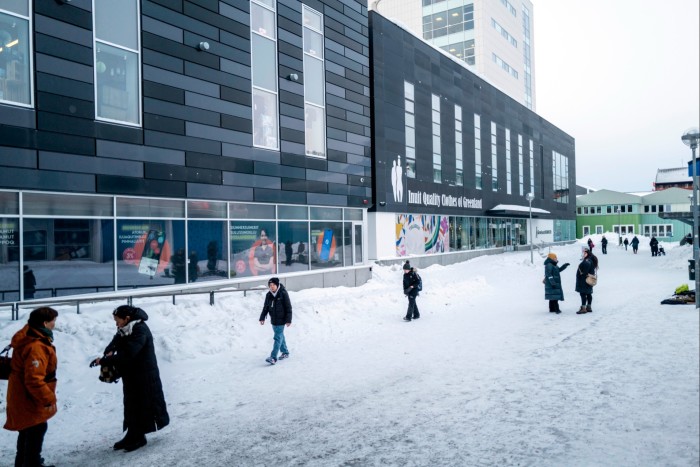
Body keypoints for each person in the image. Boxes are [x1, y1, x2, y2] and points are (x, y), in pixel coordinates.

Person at [93, 305, 169, 452]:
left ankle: (139, 436)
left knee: (142, 404)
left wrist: (103, 361)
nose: (116, 324)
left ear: (127, 318)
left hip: (144, 374)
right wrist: (109, 350)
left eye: (117, 320)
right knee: (130, 403)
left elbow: (129, 353)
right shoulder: (126, 328)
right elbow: (117, 340)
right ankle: (131, 433)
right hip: (131, 373)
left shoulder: (140, 329)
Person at [4, 307, 59, 467]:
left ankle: (24, 462)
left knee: (28, 430)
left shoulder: (30, 335)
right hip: (29, 397)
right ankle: (31, 463)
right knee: (36, 429)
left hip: (22, 395)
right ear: (45, 323)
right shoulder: (36, 346)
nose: (54, 324)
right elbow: (34, 379)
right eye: (53, 320)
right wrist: (48, 398)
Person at [259, 277, 292, 365]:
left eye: (273, 285)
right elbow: (265, 307)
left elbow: (288, 307)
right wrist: (262, 317)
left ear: (277, 285)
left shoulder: (283, 293)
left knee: (277, 337)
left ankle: (273, 357)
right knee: (280, 336)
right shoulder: (268, 295)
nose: (272, 287)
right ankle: (285, 352)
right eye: (270, 285)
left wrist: (288, 320)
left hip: (282, 320)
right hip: (273, 320)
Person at [575, 247, 598, 314]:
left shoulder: (587, 261)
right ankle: (589, 307)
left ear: (587, 253)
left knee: (583, 294)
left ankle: (583, 308)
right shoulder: (590, 260)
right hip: (588, 280)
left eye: (584, 252)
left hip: (584, 280)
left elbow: (585, 270)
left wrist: (583, 275)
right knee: (588, 293)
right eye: (583, 252)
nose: (583, 254)